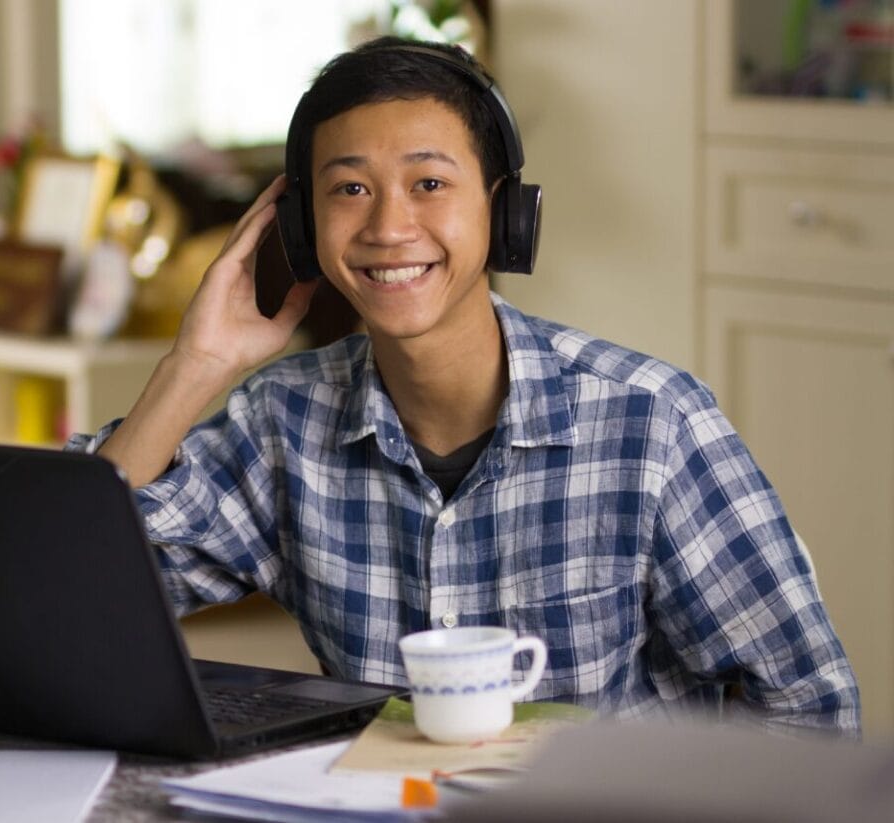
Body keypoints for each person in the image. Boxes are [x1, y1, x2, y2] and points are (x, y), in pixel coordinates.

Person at [71, 37, 860, 735]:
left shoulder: (654, 424)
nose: (387, 227)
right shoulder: (283, 418)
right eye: (349, 189)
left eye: (429, 183)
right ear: (303, 230)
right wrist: (195, 365)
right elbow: (84, 591)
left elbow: (809, 711)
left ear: (504, 211)